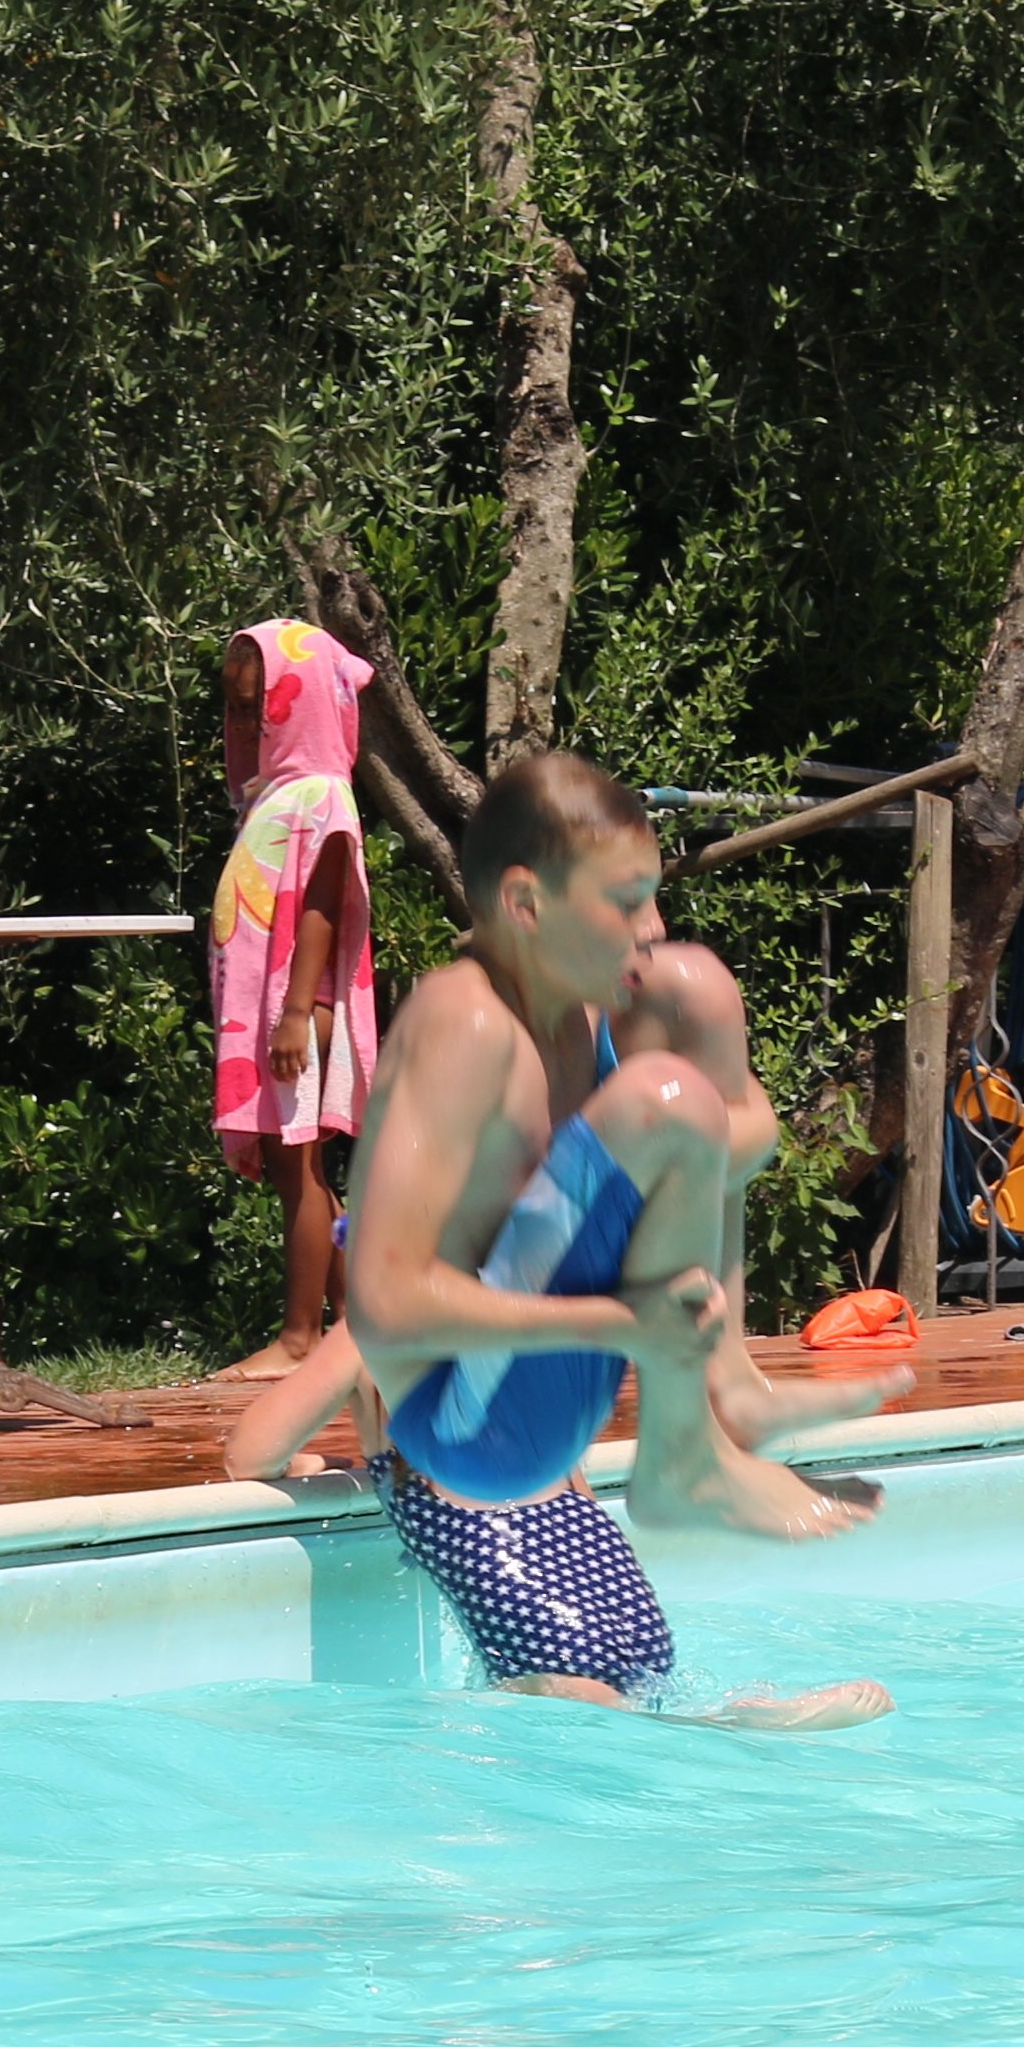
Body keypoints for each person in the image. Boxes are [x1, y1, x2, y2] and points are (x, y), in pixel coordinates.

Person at [312, 751, 897, 1726]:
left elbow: (735, 1137)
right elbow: (384, 1302)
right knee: (667, 1098)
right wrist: (623, 1323)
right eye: (626, 902)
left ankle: (723, 1397)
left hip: (554, 1388)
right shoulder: (463, 1026)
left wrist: (713, 1135)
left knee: (696, 989)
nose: (651, 925)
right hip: (466, 1423)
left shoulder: (589, 1009)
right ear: (526, 905)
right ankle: (683, 1455)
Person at [210, 619, 382, 1380]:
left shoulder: (321, 795)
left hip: (296, 1013)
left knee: (299, 1169)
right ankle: (359, 1326)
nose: (247, 722)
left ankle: (299, 1339)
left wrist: (292, 1011)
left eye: (260, 706)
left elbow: (323, 903)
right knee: (299, 1171)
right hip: (279, 1014)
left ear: (301, 701)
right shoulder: (275, 795)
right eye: (236, 707)